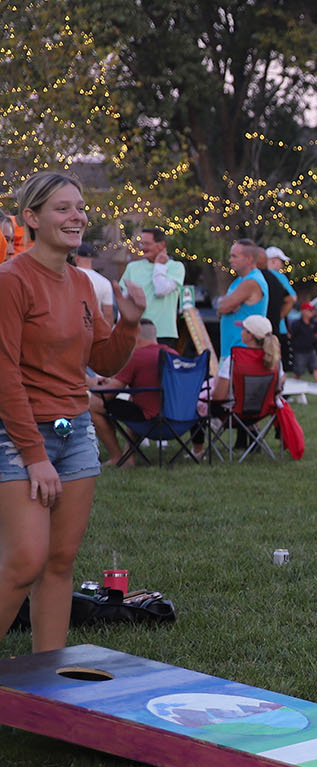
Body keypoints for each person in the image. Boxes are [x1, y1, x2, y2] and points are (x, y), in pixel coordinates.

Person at [0, 171, 145, 653]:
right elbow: (5, 376)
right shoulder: (11, 281)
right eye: (62, 208)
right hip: (19, 435)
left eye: (80, 207)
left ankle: (48, 680)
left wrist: (128, 322)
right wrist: (34, 455)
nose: (77, 215)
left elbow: (101, 360)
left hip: (75, 430)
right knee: (25, 561)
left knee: (60, 561)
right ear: (32, 219)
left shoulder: (84, 282)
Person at [90, 319, 174, 464]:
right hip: (177, 420)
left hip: (152, 421)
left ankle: (117, 457)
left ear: (135, 337)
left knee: (93, 405)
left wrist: (86, 382)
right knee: (133, 400)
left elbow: (107, 396)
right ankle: (129, 456)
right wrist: (113, 383)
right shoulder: (172, 353)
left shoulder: (137, 357)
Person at [211, 239, 267, 400]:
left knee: (226, 400)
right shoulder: (239, 282)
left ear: (249, 259)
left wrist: (227, 304)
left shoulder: (252, 281)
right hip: (230, 350)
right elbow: (222, 306)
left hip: (241, 351)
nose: (230, 260)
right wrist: (227, 304)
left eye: (235, 256)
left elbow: (223, 307)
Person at [122, 229, 185, 348]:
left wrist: (159, 266)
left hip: (163, 334)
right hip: (136, 332)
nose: (143, 248)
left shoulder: (176, 267)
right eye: (142, 243)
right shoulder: (132, 267)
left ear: (162, 245)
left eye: (147, 244)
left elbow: (161, 290)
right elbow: (124, 300)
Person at [71, 242, 116, 324]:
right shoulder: (104, 282)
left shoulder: (69, 276)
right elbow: (108, 314)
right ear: (92, 259)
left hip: (70, 328)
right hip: (93, 328)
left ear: (76, 258)